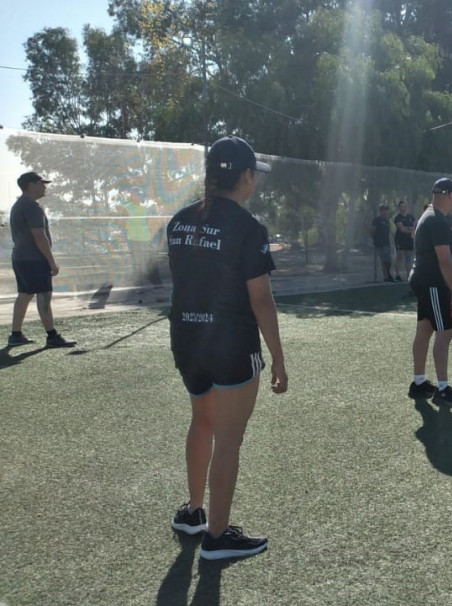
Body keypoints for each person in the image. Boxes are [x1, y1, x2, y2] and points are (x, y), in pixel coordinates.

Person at [166, 136, 287, 560]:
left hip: (186, 339)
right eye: (255, 175)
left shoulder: (178, 221)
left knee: (202, 421)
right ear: (246, 176)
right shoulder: (248, 228)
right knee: (229, 438)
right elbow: (260, 300)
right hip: (230, 344)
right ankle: (217, 537)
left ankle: (194, 512)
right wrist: (278, 357)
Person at [408, 177, 452, 406]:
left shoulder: (428, 215)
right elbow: (445, 261)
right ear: (449, 195)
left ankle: (418, 382)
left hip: (421, 280)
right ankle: (443, 389)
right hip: (433, 283)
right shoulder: (438, 221)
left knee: (425, 328)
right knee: (445, 332)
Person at [7, 171, 76, 348]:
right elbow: (39, 236)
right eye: (41, 183)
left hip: (21, 258)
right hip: (34, 260)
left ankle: (16, 335)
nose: (44, 186)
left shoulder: (19, 205)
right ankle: (52, 337)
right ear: (31, 185)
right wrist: (51, 261)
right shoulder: (31, 206)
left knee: (25, 294)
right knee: (44, 294)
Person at [370, 204, 394, 282]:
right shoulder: (376, 220)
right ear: (381, 211)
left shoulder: (387, 221)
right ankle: (386, 277)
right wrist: (375, 239)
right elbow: (373, 231)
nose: (386, 212)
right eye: (384, 210)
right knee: (383, 260)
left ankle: (388, 273)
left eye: (386, 210)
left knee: (389, 260)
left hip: (387, 243)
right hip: (380, 243)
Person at [393, 200, 416, 281]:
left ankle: (409, 275)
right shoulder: (398, 217)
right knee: (400, 257)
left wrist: (409, 229)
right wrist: (409, 229)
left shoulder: (411, 217)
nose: (404, 208)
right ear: (399, 208)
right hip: (400, 240)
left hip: (409, 240)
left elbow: (415, 227)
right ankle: (397, 275)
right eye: (402, 206)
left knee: (408, 258)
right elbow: (401, 229)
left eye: (405, 206)